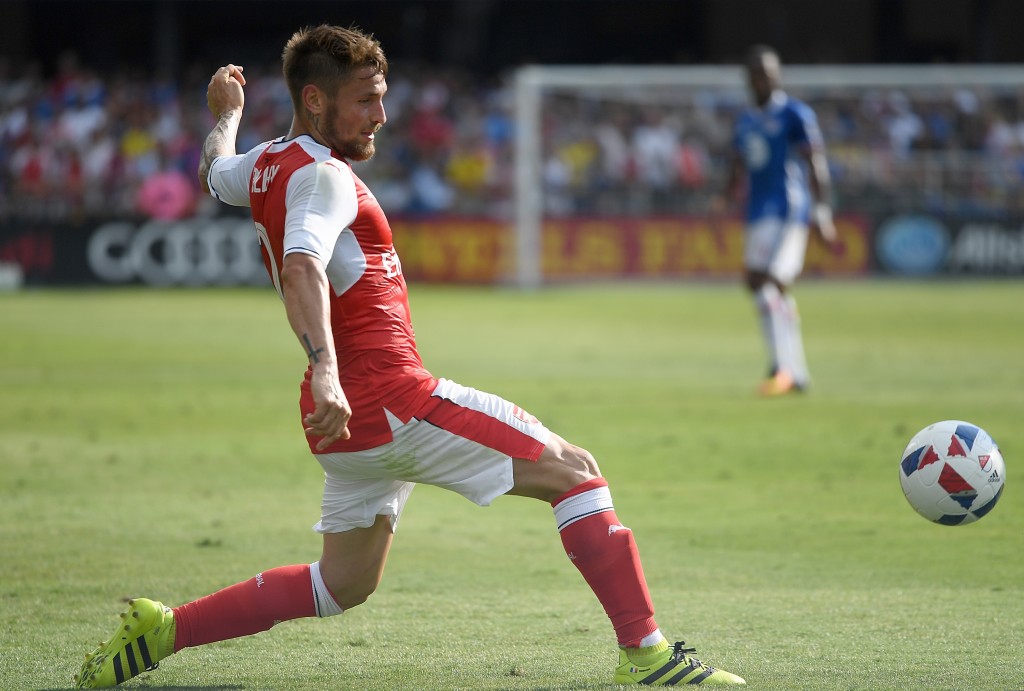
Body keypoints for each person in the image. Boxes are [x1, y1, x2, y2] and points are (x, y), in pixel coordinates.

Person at [73, 24, 745, 688]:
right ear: (315, 100)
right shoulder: (324, 177)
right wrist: (325, 368)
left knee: (341, 584)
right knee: (577, 473)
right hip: (387, 397)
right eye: (365, 100)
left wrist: (228, 115)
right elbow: (303, 266)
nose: (381, 115)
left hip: (345, 428)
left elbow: (214, 171)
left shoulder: (266, 165)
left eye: (382, 97)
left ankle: (165, 629)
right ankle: (648, 656)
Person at [720, 44, 838, 396]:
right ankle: (793, 372)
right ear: (749, 78)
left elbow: (815, 162)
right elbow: (737, 164)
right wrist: (724, 196)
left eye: (769, 74)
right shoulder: (745, 120)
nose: (763, 80)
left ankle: (783, 369)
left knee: (766, 282)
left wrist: (822, 213)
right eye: (758, 74)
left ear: (777, 77)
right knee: (766, 288)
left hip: (789, 208)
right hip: (757, 211)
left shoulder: (794, 114)